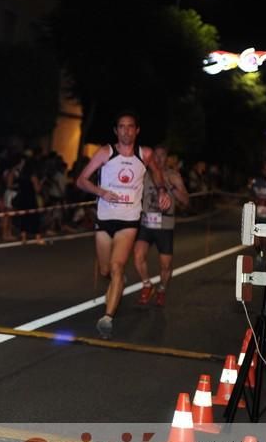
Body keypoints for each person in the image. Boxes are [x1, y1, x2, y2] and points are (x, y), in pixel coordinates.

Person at [76, 111, 171, 339]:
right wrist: (101, 192)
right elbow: (81, 180)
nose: (126, 131)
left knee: (117, 266)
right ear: (116, 130)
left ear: (137, 130)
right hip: (104, 218)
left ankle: (107, 318)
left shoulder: (144, 154)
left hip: (129, 220)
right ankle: (116, 281)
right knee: (106, 270)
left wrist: (161, 191)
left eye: (130, 127)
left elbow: (157, 173)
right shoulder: (105, 153)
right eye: (121, 127)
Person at [133, 145, 190, 307]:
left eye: (162, 155)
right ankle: (146, 285)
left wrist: (170, 186)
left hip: (165, 225)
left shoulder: (173, 175)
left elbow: (186, 201)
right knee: (138, 256)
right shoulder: (144, 174)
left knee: (165, 265)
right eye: (155, 155)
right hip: (146, 223)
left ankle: (162, 289)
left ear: (167, 158)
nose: (157, 159)